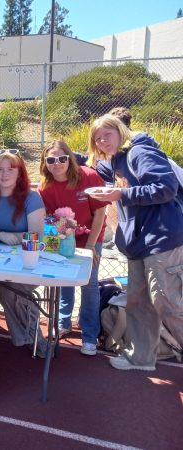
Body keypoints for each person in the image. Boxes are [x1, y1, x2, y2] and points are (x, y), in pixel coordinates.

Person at [89, 114, 183, 371]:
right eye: (97, 138)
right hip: (138, 245)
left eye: (107, 134)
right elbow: (93, 167)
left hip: (161, 240)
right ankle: (141, 358)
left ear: (120, 131)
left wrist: (122, 193)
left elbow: (166, 187)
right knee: (139, 304)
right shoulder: (117, 161)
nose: (102, 141)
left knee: (168, 303)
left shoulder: (140, 153)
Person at [0, 150, 47, 355]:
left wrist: (12, 236)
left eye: (10, 170)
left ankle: (34, 340)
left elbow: (37, 235)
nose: (4, 174)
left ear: (20, 174)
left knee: (10, 291)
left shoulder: (31, 197)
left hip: (26, 258)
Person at [38, 140, 109, 356]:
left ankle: (89, 335)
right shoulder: (45, 187)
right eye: (51, 159)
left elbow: (100, 213)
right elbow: (51, 220)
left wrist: (90, 246)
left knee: (89, 284)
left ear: (70, 158)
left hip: (91, 238)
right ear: (45, 163)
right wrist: (58, 241)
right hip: (65, 239)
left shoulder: (89, 176)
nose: (56, 163)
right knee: (63, 280)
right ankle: (63, 322)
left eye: (61, 158)